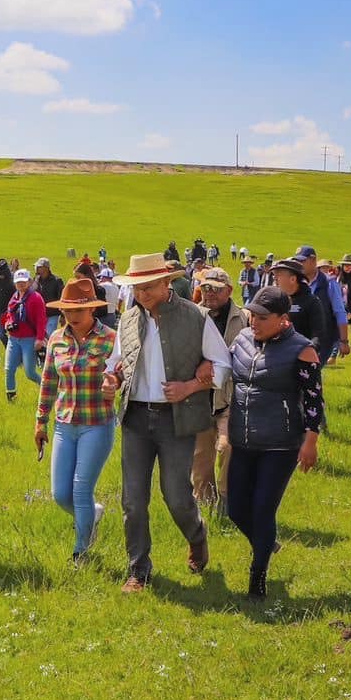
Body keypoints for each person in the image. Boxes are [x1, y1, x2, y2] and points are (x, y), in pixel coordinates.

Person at [102, 254, 231, 593]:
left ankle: (197, 534)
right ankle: (138, 570)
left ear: (167, 282)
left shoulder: (196, 317)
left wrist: (190, 386)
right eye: (136, 288)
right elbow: (116, 362)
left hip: (178, 418)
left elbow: (223, 365)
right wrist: (110, 379)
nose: (142, 294)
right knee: (132, 499)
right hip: (135, 416)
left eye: (148, 287)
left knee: (175, 495)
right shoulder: (127, 320)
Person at [226, 286, 324, 600]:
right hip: (242, 438)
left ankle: (258, 579)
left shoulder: (302, 349)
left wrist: (311, 441)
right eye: (252, 314)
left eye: (263, 317)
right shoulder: (241, 340)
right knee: (235, 509)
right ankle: (266, 543)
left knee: (263, 509)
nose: (254, 321)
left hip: (281, 444)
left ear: (283, 319)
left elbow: (313, 400)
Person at [34, 278, 117, 564]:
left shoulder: (110, 339)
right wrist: (40, 422)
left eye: (77, 311)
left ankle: (81, 551)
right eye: (66, 311)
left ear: (92, 310)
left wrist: (114, 385)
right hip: (63, 424)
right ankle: (93, 514)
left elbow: (122, 377)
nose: (71, 317)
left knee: (81, 488)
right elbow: (48, 381)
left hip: (97, 423)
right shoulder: (56, 339)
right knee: (60, 494)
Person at [193, 267, 247, 511]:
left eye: (215, 288)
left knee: (228, 446)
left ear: (229, 291)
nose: (209, 293)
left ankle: (227, 499)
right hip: (199, 398)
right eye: (205, 287)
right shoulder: (193, 316)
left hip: (230, 397)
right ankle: (204, 507)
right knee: (200, 459)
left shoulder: (244, 318)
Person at [296, 247, 349, 361]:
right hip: (300, 336)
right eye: (297, 261)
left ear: (313, 260)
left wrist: (344, 341)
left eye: (302, 261)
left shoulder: (329, 283)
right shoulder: (296, 282)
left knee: (311, 370)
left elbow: (339, 312)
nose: (299, 265)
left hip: (323, 338)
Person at [3, 268, 48, 401]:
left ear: (29, 281)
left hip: (29, 339)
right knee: (8, 369)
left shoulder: (36, 298)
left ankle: (46, 390)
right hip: (14, 338)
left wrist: (39, 339)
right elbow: (9, 313)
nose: (21, 284)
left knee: (30, 372)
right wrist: (8, 323)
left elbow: (41, 319)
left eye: (23, 282)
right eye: (18, 282)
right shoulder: (14, 297)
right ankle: (11, 397)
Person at [32, 258, 64, 335]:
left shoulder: (57, 280)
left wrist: (63, 315)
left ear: (46, 268)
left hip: (52, 314)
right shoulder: (36, 279)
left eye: (39, 267)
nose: (36, 268)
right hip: (39, 315)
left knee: (49, 336)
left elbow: (62, 298)